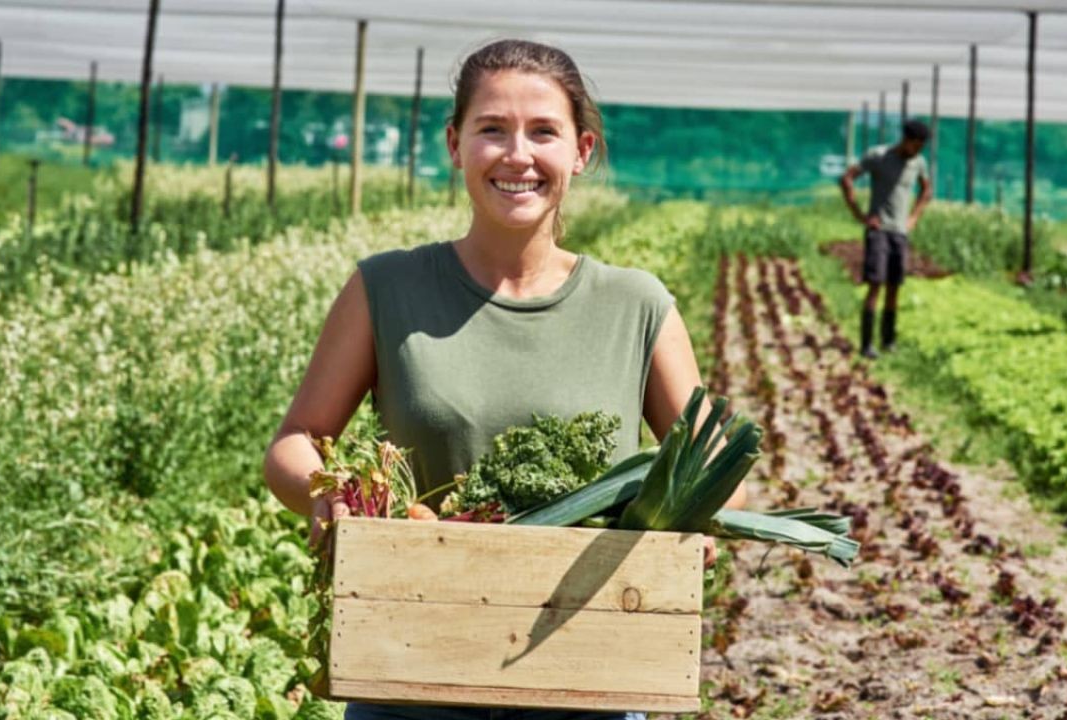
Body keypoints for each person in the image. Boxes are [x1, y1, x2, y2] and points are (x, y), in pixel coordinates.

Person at [263, 39, 742, 720]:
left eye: (543, 131)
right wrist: (327, 493)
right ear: (456, 145)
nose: (518, 154)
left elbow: (720, 467)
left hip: (587, 676)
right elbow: (297, 440)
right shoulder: (385, 288)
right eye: (492, 129)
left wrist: (691, 518)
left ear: (581, 151)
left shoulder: (636, 306)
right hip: (409, 667)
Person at [839, 119, 933, 359]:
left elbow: (926, 191)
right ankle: (867, 343)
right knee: (875, 285)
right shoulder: (878, 156)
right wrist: (859, 214)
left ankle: (888, 341)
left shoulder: (918, 163)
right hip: (878, 230)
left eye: (922, 147)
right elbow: (847, 178)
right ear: (906, 140)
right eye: (916, 145)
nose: (918, 150)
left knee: (894, 286)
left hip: (899, 233)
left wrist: (913, 218)